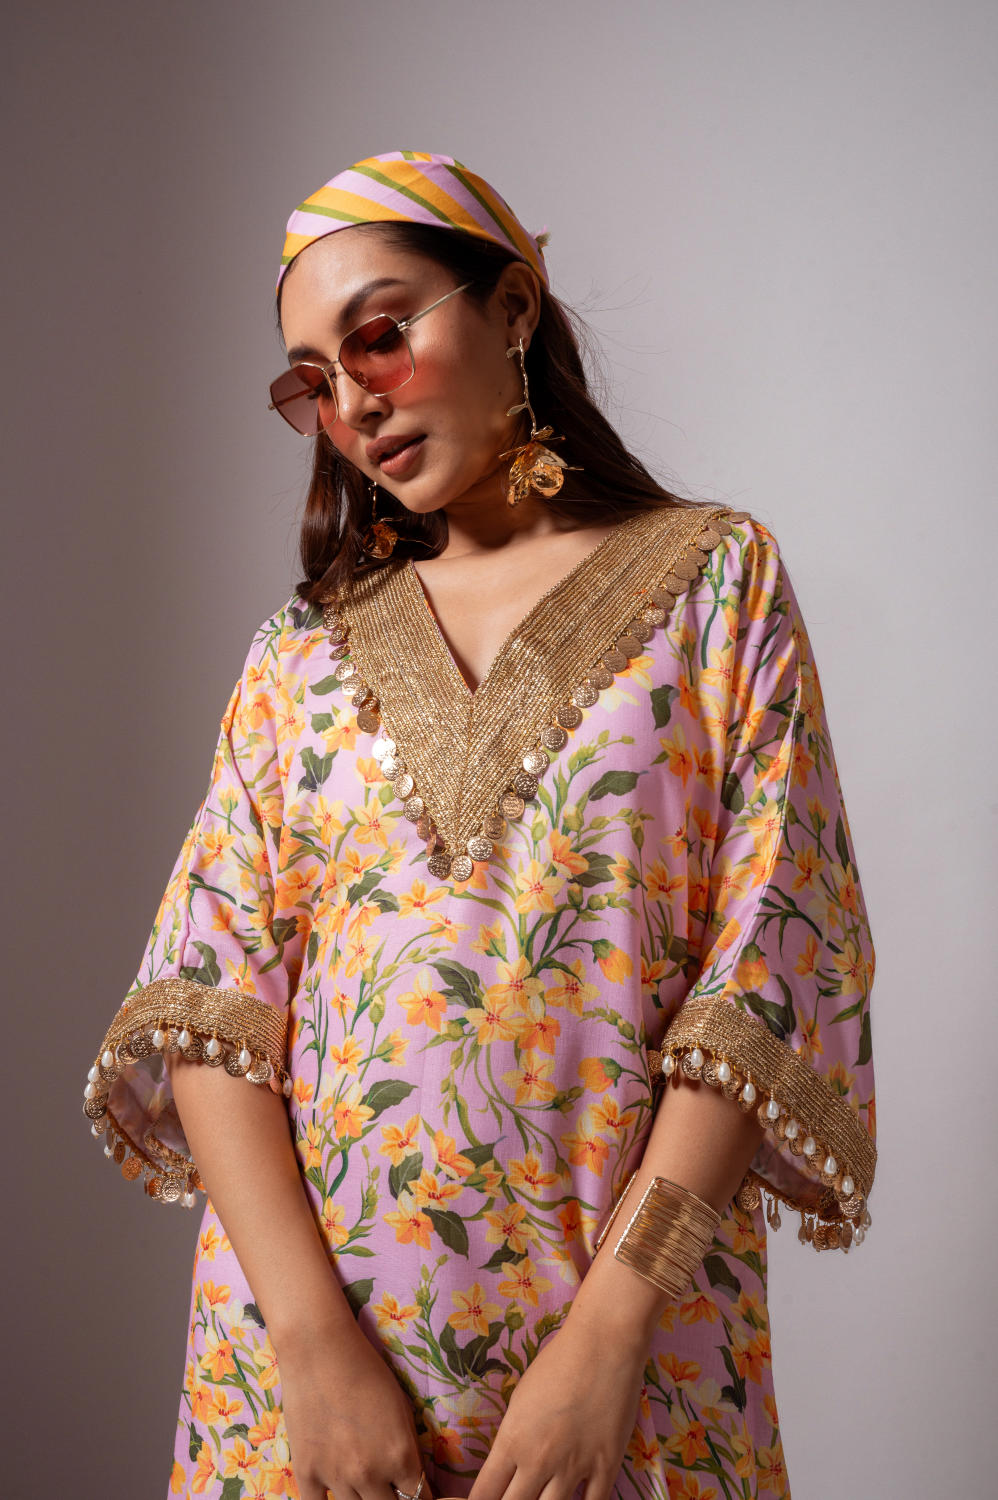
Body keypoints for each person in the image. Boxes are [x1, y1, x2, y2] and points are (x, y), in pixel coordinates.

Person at [82, 150, 877, 1500]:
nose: (352, 403)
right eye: (313, 380)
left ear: (512, 308)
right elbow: (211, 1011)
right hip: (310, 1399)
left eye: (379, 336)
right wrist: (308, 1348)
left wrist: (611, 1339)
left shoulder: (714, 585)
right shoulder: (301, 652)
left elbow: (766, 981)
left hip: (624, 1375)